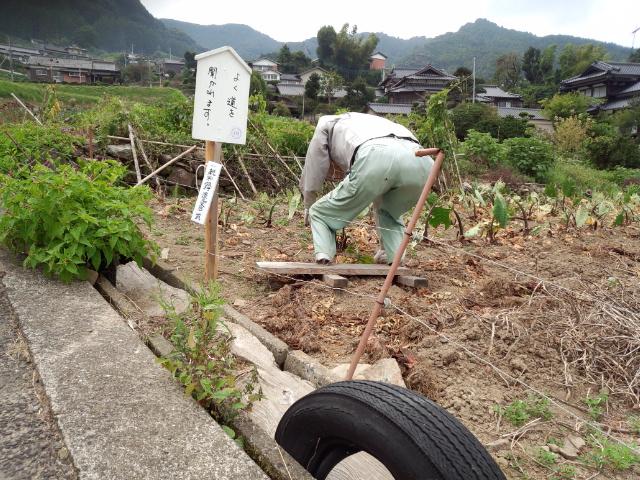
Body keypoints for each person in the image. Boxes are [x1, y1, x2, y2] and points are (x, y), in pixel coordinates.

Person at [300, 112, 434, 265]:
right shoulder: (378, 122)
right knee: (389, 212)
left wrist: (308, 204)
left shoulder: (326, 122)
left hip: (376, 156)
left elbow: (314, 167)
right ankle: (393, 258)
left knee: (320, 213)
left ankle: (324, 258)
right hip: (423, 162)